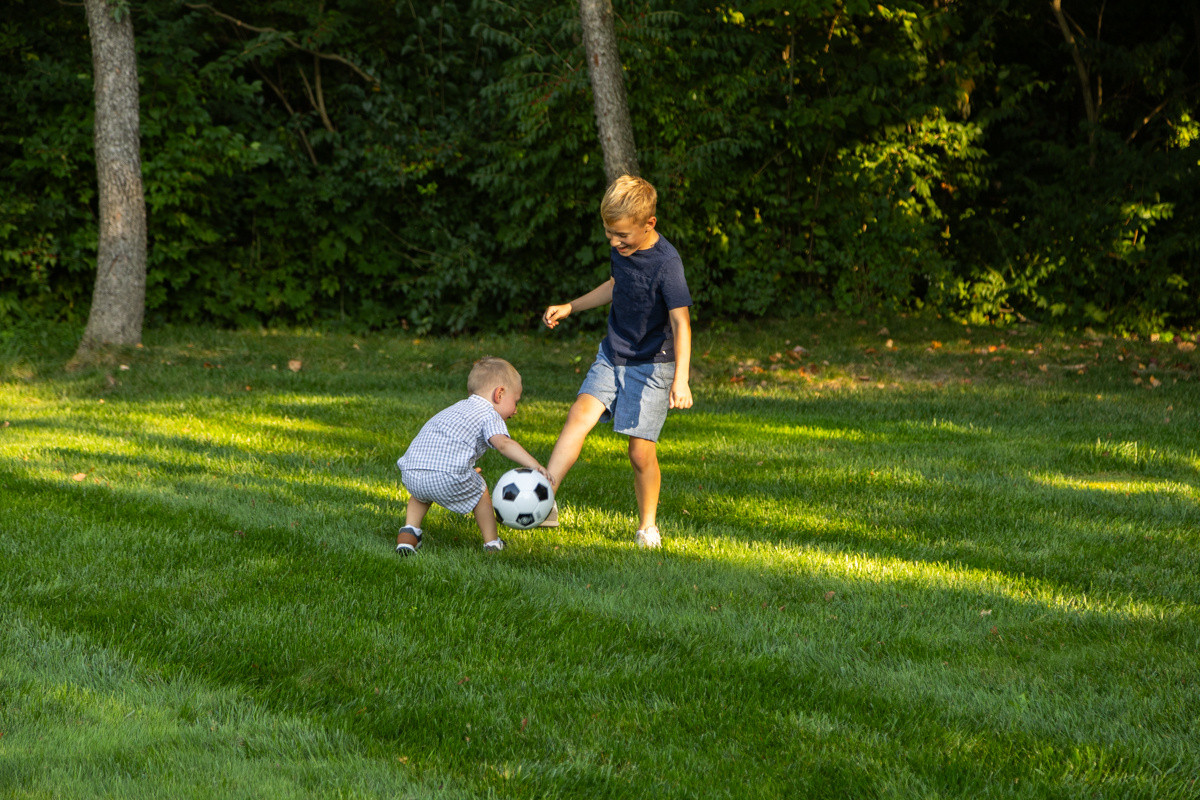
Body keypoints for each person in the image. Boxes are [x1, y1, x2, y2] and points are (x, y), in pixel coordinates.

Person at [542, 174, 693, 549]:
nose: (614, 241)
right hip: (613, 352)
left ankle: (647, 526)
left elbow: (681, 321)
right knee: (579, 414)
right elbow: (616, 285)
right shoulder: (622, 250)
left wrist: (682, 379)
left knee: (640, 452)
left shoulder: (667, 264)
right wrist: (572, 306)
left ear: (649, 224)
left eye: (622, 235)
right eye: (609, 233)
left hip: (653, 364)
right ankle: (543, 500)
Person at [395, 357, 551, 555]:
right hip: (446, 476)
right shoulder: (488, 413)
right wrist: (534, 465)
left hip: (412, 472)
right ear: (499, 394)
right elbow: (503, 444)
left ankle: (408, 535)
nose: (515, 411)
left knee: (421, 494)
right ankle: (492, 543)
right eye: (515, 402)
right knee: (480, 490)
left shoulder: (455, 409)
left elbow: (444, 446)